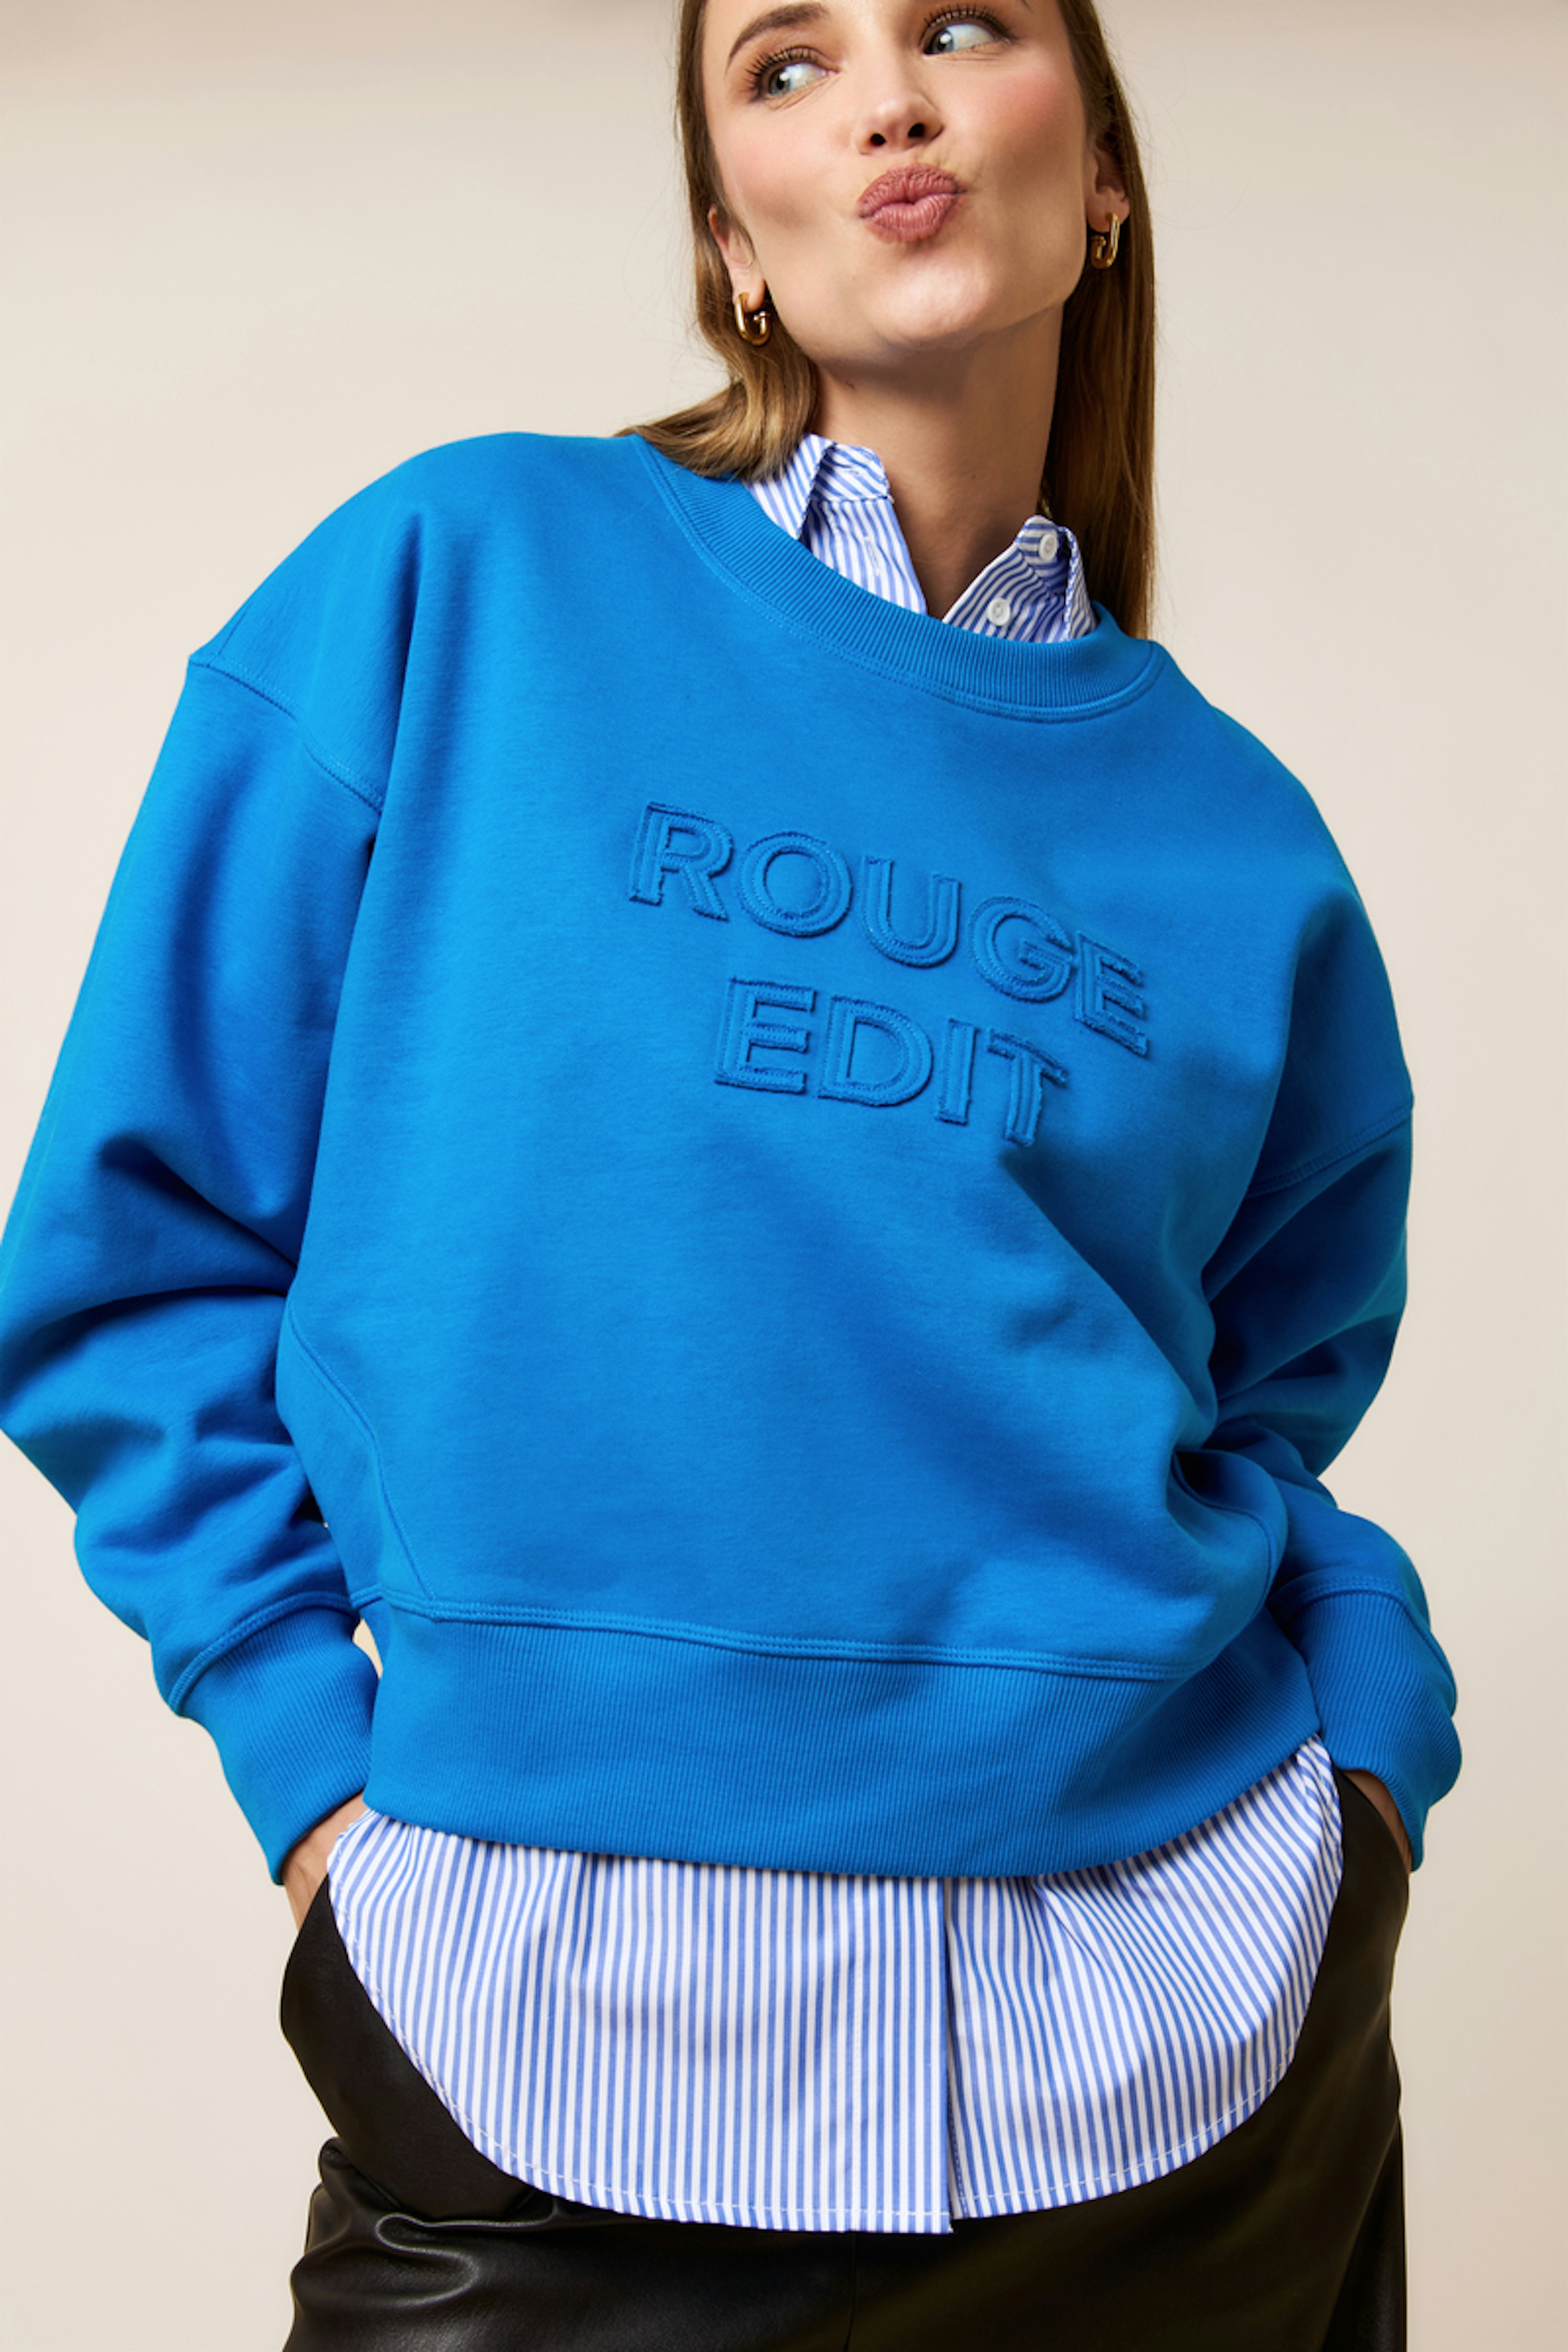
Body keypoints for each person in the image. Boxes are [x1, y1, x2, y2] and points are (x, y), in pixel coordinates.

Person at [0, 0, 1460, 2343]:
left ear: (1100, 173)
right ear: (732, 243)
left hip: (1188, 2064)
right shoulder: (466, 575)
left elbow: (1271, 1402)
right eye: (786, 63)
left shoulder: (1243, 837)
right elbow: (132, 1253)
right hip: (553, 2038)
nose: (887, 96)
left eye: (961, 27)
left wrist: (1362, 1782)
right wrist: (313, 1778)